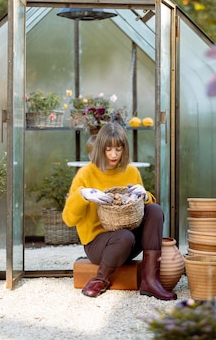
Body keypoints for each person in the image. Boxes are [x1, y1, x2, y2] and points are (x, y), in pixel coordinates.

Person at [62, 122, 176, 300]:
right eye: (108, 149)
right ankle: (101, 279)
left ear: (124, 149)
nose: (113, 155)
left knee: (154, 209)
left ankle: (150, 281)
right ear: (100, 149)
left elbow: (141, 211)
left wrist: (144, 196)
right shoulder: (86, 174)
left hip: (129, 241)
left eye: (118, 149)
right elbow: (68, 219)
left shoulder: (131, 171)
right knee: (124, 236)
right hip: (99, 245)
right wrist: (83, 195)